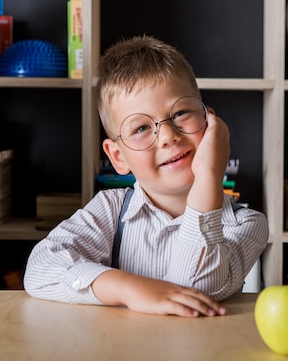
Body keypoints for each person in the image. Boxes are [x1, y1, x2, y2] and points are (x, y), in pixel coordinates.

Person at [24, 35, 269, 318]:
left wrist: (209, 176)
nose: (167, 136)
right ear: (117, 156)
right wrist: (130, 289)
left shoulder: (245, 224)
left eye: (180, 113)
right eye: (140, 128)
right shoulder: (110, 210)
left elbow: (193, 288)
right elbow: (40, 268)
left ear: (210, 124)